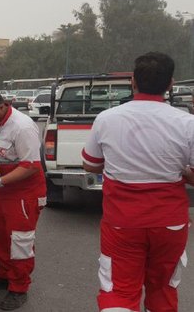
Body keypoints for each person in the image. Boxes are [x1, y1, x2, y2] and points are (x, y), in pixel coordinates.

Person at [82, 52, 194, 312]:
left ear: (132, 81)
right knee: (163, 288)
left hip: (123, 222)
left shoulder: (107, 119)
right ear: (170, 84)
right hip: (170, 223)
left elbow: (90, 164)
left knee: (118, 291)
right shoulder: (187, 123)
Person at [0, 89, 47, 311]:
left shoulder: (23, 127)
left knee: (20, 243)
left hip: (25, 192)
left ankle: (19, 288)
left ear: (2, 107)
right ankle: (4, 275)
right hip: (5, 188)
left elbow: (31, 167)